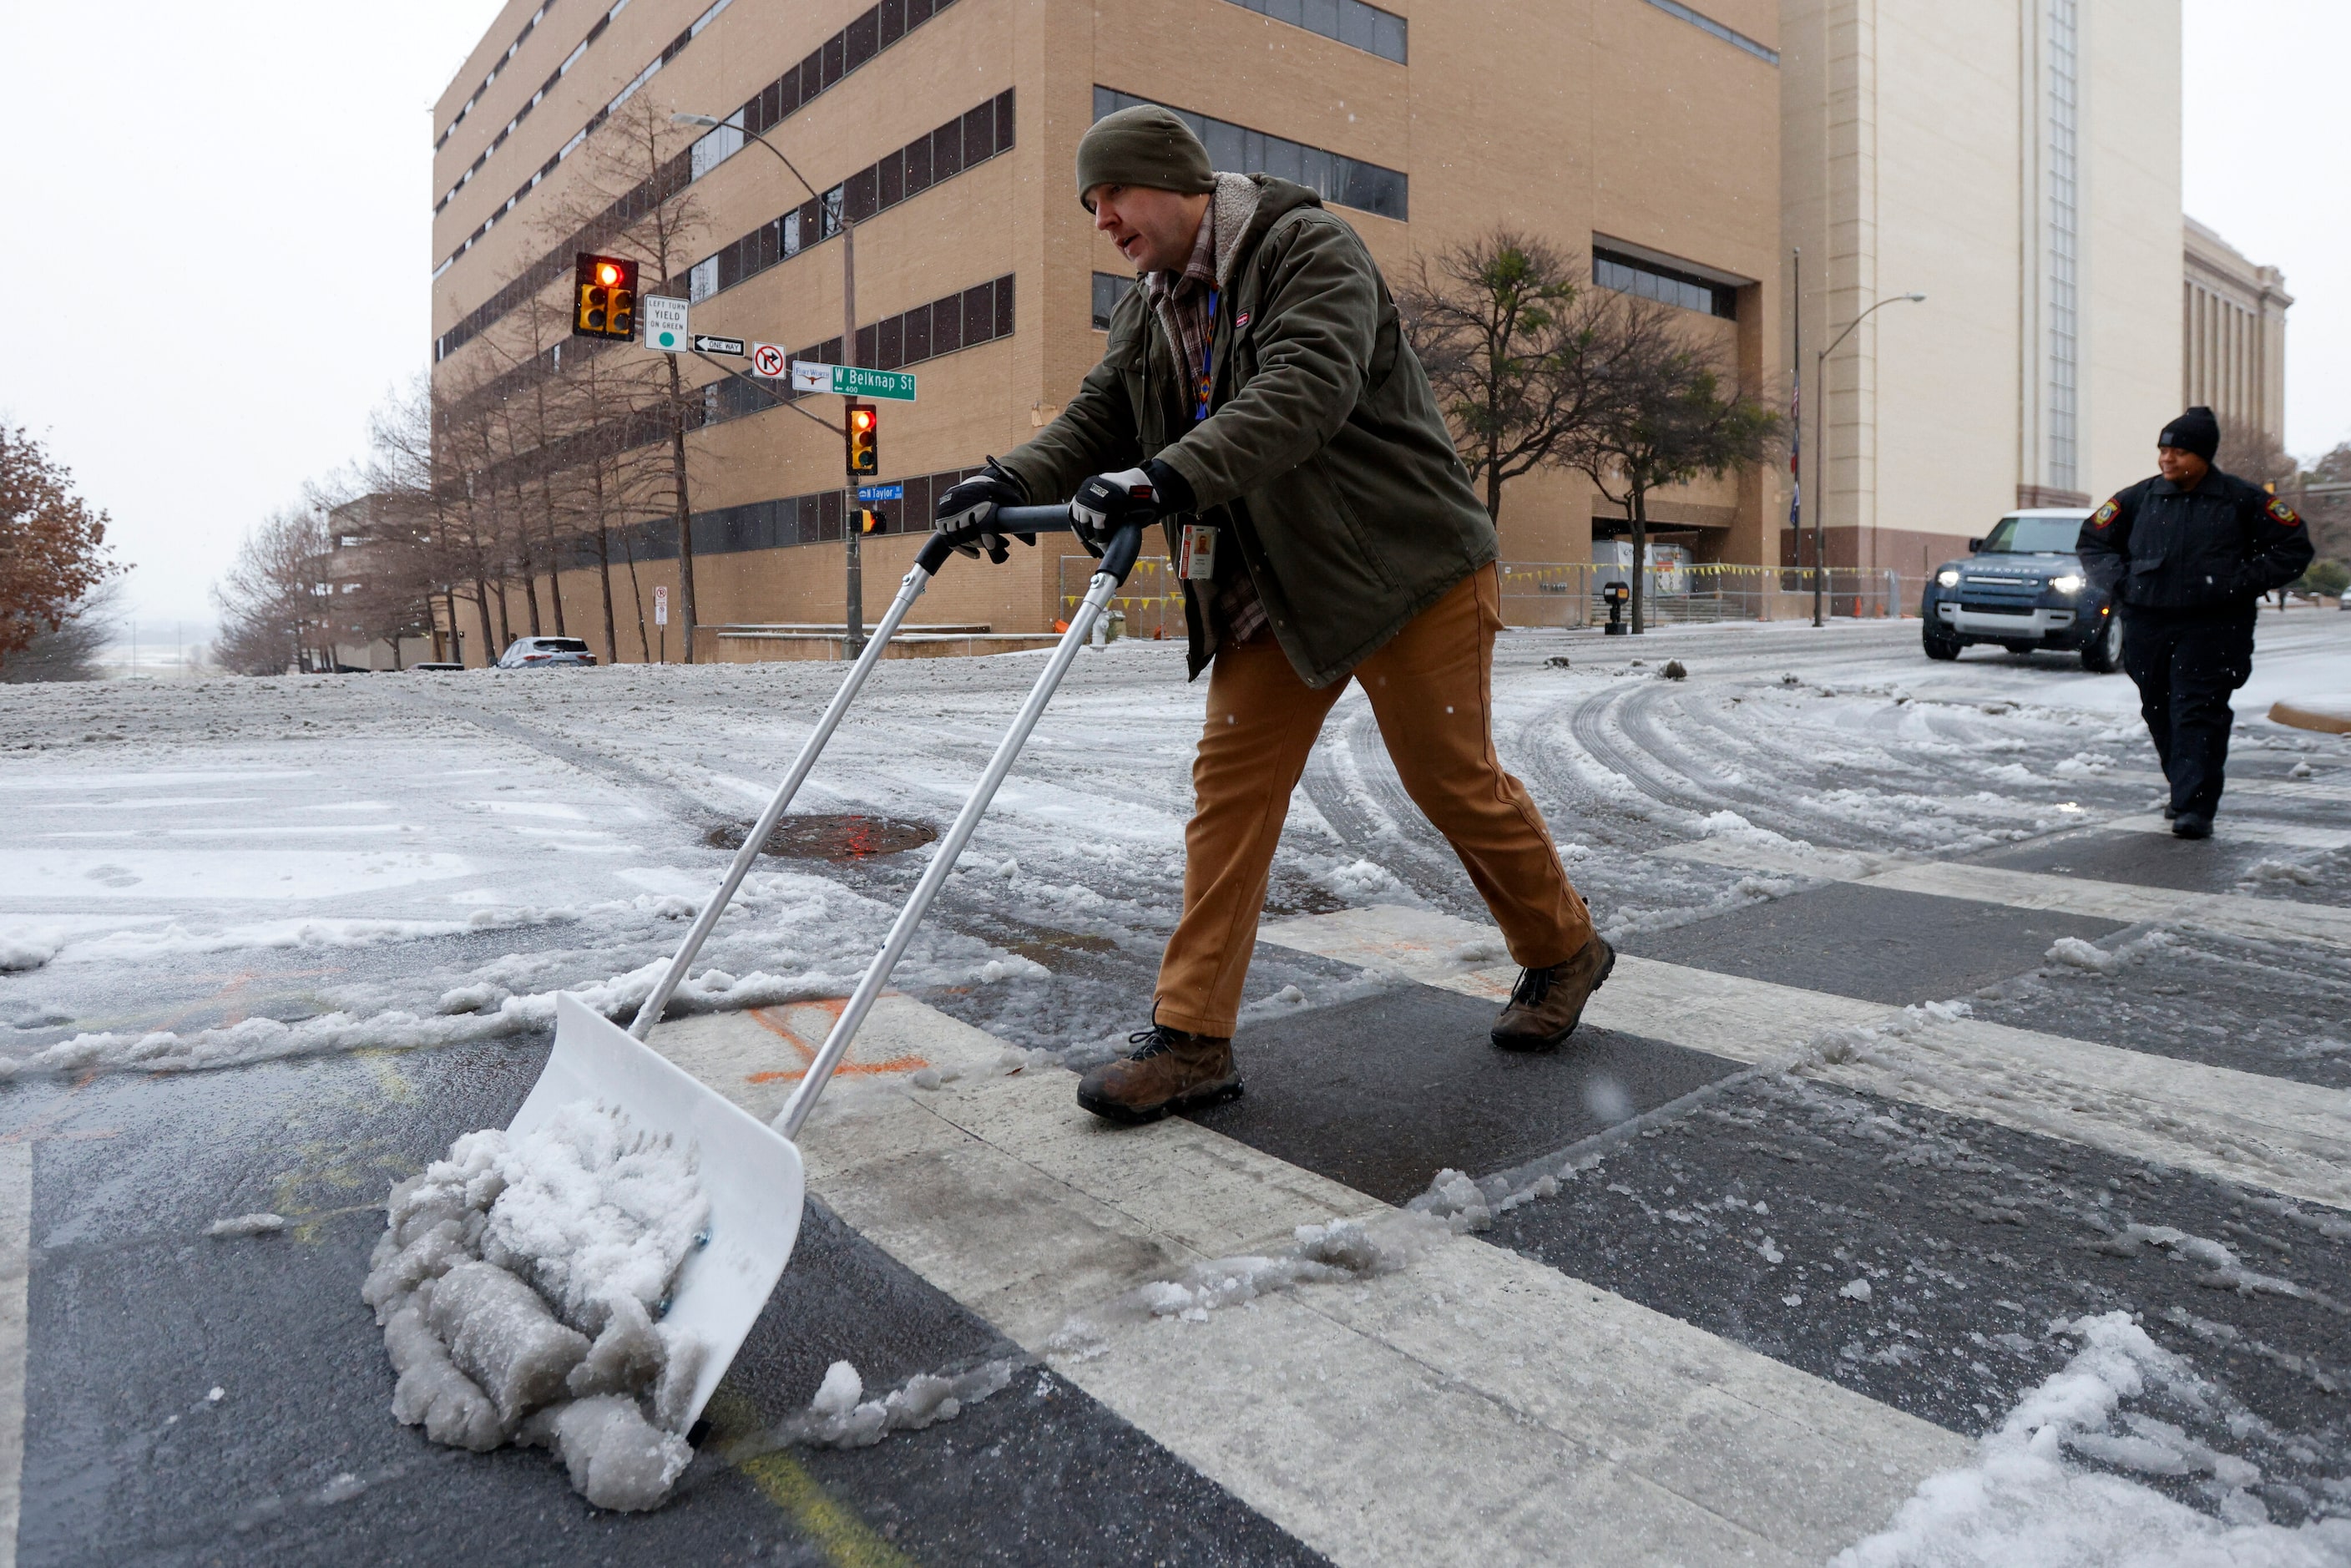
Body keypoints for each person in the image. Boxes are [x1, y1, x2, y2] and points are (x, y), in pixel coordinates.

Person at [932, 105, 1610, 1125]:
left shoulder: (1305, 249)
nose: (1103, 219)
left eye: (1112, 194)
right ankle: (1192, 1039)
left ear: (1173, 180)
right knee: (1229, 796)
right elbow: (1098, 414)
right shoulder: (1147, 306)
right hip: (1270, 586)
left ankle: (1563, 951)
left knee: (1449, 780)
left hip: (1403, 569)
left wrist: (1159, 480)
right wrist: (1002, 479)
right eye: (1091, 204)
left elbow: (1304, 390)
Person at [2077, 406, 2312, 839]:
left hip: (2214, 627)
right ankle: (2184, 787)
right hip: (2148, 623)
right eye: (2163, 450)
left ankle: (2195, 808)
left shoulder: (2244, 500)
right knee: (2158, 708)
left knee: (2197, 711)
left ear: (2204, 456)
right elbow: (2093, 541)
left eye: (2179, 452)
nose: (2168, 459)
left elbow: (2294, 546)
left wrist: (2240, 582)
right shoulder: (2137, 498)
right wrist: (2123, 582)